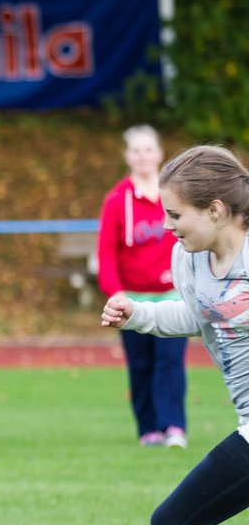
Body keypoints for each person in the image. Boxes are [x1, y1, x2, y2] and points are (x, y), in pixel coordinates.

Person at [60, 145, 249, 525]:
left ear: (215, 210)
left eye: (174, 215)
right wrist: (138, 312)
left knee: (175, 522)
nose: (166, 227)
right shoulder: (190, 259)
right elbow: (195, 313)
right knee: (176, 524)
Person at [97, 125, 189, 449]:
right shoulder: (117, 199)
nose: (143, 156)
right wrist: (116, 292)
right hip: (132, 298)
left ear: (160, 153)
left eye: (148, 149)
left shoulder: (175, 195)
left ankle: (174, 426)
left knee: (170, 361)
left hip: (172, 295)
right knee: (141, 364)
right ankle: (148, 429)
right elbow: (106, 252)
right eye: (136, 150)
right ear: (127, 156)